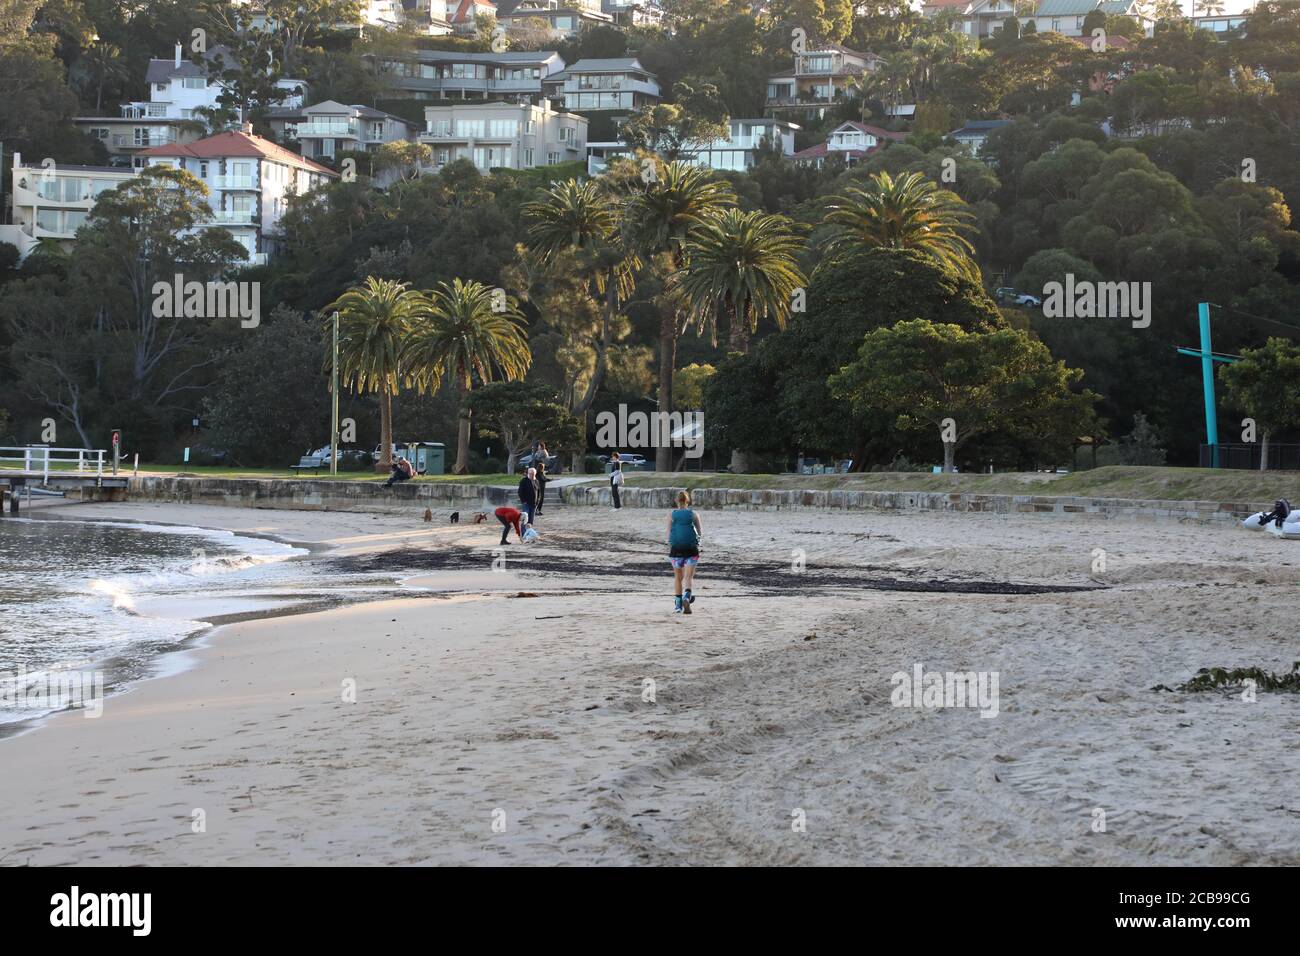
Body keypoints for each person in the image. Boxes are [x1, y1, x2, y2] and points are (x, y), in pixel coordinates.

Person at [667, 490, 701, 614]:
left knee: (678, 577)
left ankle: (678, 605)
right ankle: (687, 596)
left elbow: (669, 534)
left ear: (677, 501)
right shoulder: (694, 514)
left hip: (676, 549)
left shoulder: (672, 515)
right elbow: (699, 533)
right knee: (688, 577)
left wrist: (671, 545)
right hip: (691, 549)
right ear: (688, 501)